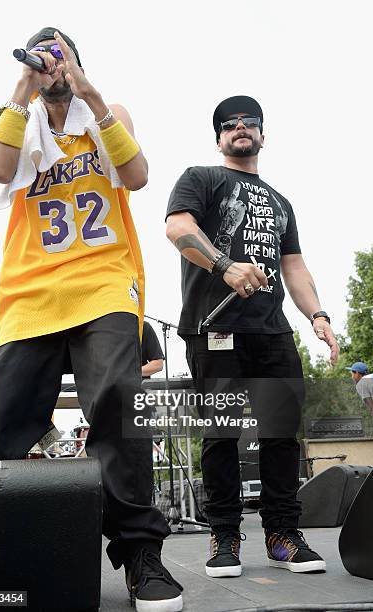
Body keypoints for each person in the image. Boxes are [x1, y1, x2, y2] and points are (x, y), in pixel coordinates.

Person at [0, 27, 183, 612]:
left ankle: (141, 553)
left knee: (119, 398)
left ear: (76, 61)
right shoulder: (19, 116)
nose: (50, 65)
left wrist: (87, 93)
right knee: (5, 415)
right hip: (32, 287)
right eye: (41, 56)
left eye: (58, 55)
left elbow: (138, 174)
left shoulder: (105, 112)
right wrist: (24, 85)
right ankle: (23, 545)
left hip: (102, 279)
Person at [165, 95, 339, 578]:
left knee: (282, 434)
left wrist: (318, 315)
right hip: (215, 326)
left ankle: (284, 534)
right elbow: (177, 227)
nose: (240, 128)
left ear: (263, 134)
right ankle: (225, 537)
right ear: (219, 136)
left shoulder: (281, 202)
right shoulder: (201, 178)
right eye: (229, 124)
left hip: (273, 331)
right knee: (221, 436)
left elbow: (294, 266)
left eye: (250, 123)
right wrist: (223, 265)